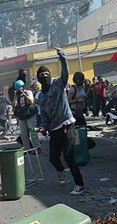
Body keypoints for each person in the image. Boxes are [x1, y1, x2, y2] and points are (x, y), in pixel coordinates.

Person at [37, 48, 85, 195]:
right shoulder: (41, 96)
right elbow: (44, 115)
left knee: (68, 156)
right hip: (54, 128)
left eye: (46, 74)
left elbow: (65, 73)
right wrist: (43, 128)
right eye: (41, 75)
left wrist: (62, 57)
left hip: (67, 123)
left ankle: (79, 184)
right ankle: (61, 171)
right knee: (53, 158)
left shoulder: (58, 84)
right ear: (38, 78)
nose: (45, 76)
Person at [13, 80, 37, 151]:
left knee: (33, 132)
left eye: (19, 87)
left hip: (30, 114)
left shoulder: (28, 92)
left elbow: (31, 101)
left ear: (23, 87)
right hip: (22, 115)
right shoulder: (17, 95)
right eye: (17, 88)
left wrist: (24, 94)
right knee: (23, 134)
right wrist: (15, 96)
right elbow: (14, 105)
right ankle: (28, 149)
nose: (18, 89)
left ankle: (36, 148)